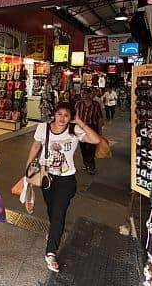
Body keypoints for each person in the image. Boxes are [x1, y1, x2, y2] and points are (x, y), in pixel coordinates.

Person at [24, 102, 100, 273]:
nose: (62, 118)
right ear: (54, 114)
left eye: (66, 115)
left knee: (59, 212)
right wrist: (28, 167)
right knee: (52, 210)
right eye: (59, 114)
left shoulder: (74, 130)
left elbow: (95, 140)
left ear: (71, 116)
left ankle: (50, 252)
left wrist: (80, 122)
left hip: (66, 180)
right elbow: (36, 146)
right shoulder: (43, 128)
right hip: (46, 178)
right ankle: (54, 233)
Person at [74, 88, 104, 175]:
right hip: (81, 128)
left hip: (92, 127)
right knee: (83, 148)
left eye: (84, 93)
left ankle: (91, 166)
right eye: (81, 93)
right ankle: (86, 164)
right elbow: (75, 116)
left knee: (90, 148)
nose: (82, 95)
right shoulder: (78, 104)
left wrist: (100, 130)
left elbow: (100, 118)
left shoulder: (96, 104)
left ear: (89, 94)